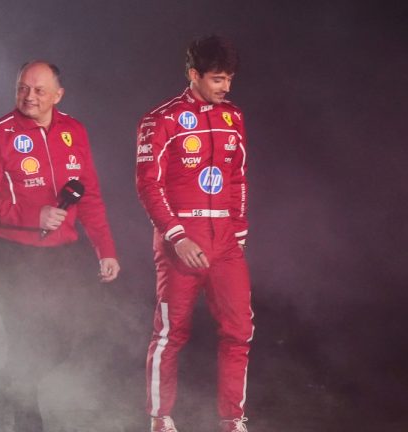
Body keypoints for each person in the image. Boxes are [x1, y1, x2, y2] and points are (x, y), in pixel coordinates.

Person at [0, 61, 120, 432]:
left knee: (65, 339)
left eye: (38, 90)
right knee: (25, 342)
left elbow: (91, 196)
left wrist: (106, 249)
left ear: (57, 95)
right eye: (22, 88)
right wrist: (33, 216)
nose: (29, 96)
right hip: (12, 255)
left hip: (62, 257)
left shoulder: (74, 131)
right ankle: (27, 422)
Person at [136, 35, 254, 432]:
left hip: (224, 240)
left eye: (229, 79)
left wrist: (238, 230)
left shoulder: (233, 117)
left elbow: (237, 177)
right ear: (193, 75)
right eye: (218, 79)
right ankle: (160, 418)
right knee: (171, 333)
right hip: (180, 240)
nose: (226, 87)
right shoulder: (161, 119)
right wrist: (177, 236)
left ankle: (232, 421)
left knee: (240, 330)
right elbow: (148, 186)